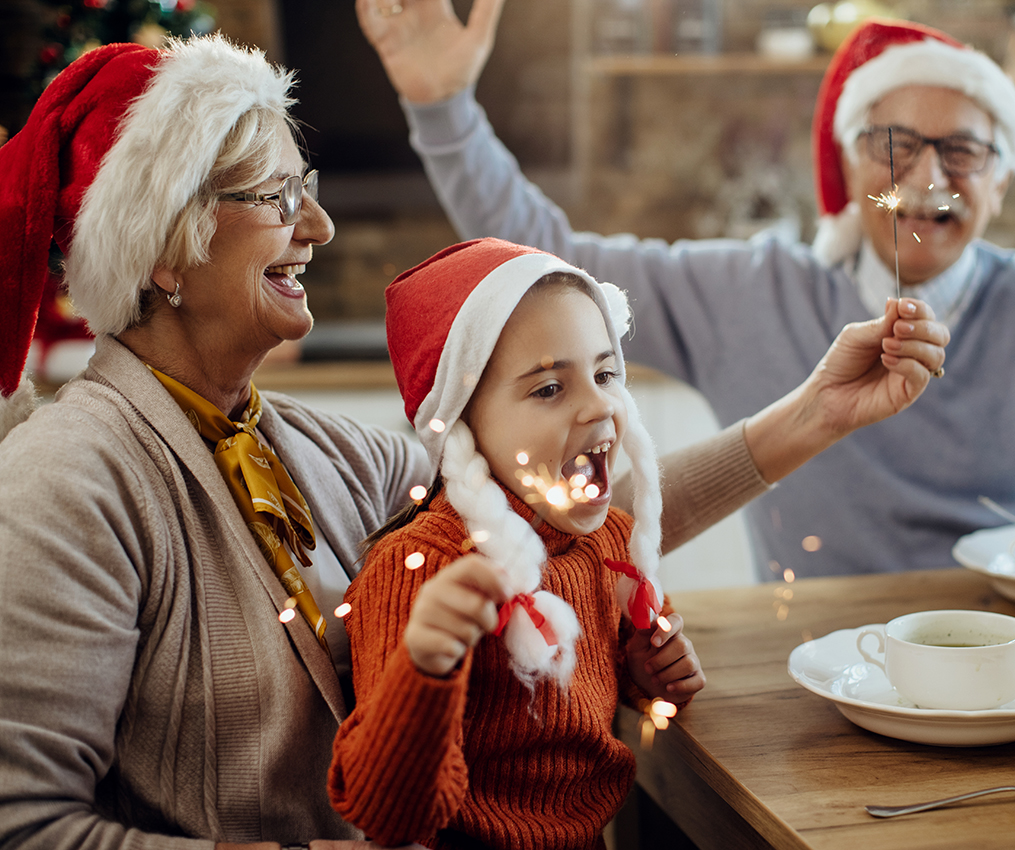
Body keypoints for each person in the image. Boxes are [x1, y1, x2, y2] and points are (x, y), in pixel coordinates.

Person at [0, 35, 946, 850]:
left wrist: (815, 414)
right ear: (161, 246)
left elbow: (557, 517)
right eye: (277, 194)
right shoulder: (66, 484)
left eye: (310, 189)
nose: (320, 227)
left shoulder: (329, 456)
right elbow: (24, 825)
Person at [357, 0, 1015, 578]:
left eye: (964, 151)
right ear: (849, 161)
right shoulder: (749, 286)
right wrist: (445, 111)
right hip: (809, 661)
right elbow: (547, 253)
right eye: (894, 144)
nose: (927, 177)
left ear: (1004, 178)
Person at [328, 238, 705, 850]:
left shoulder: (605, 542)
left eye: (606, 373)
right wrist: (424, 667)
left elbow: (571, 712)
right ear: (463, 424)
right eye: (549, 389)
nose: (601, 405)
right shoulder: (420, 572)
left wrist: (643, 674)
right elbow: (387, 816)